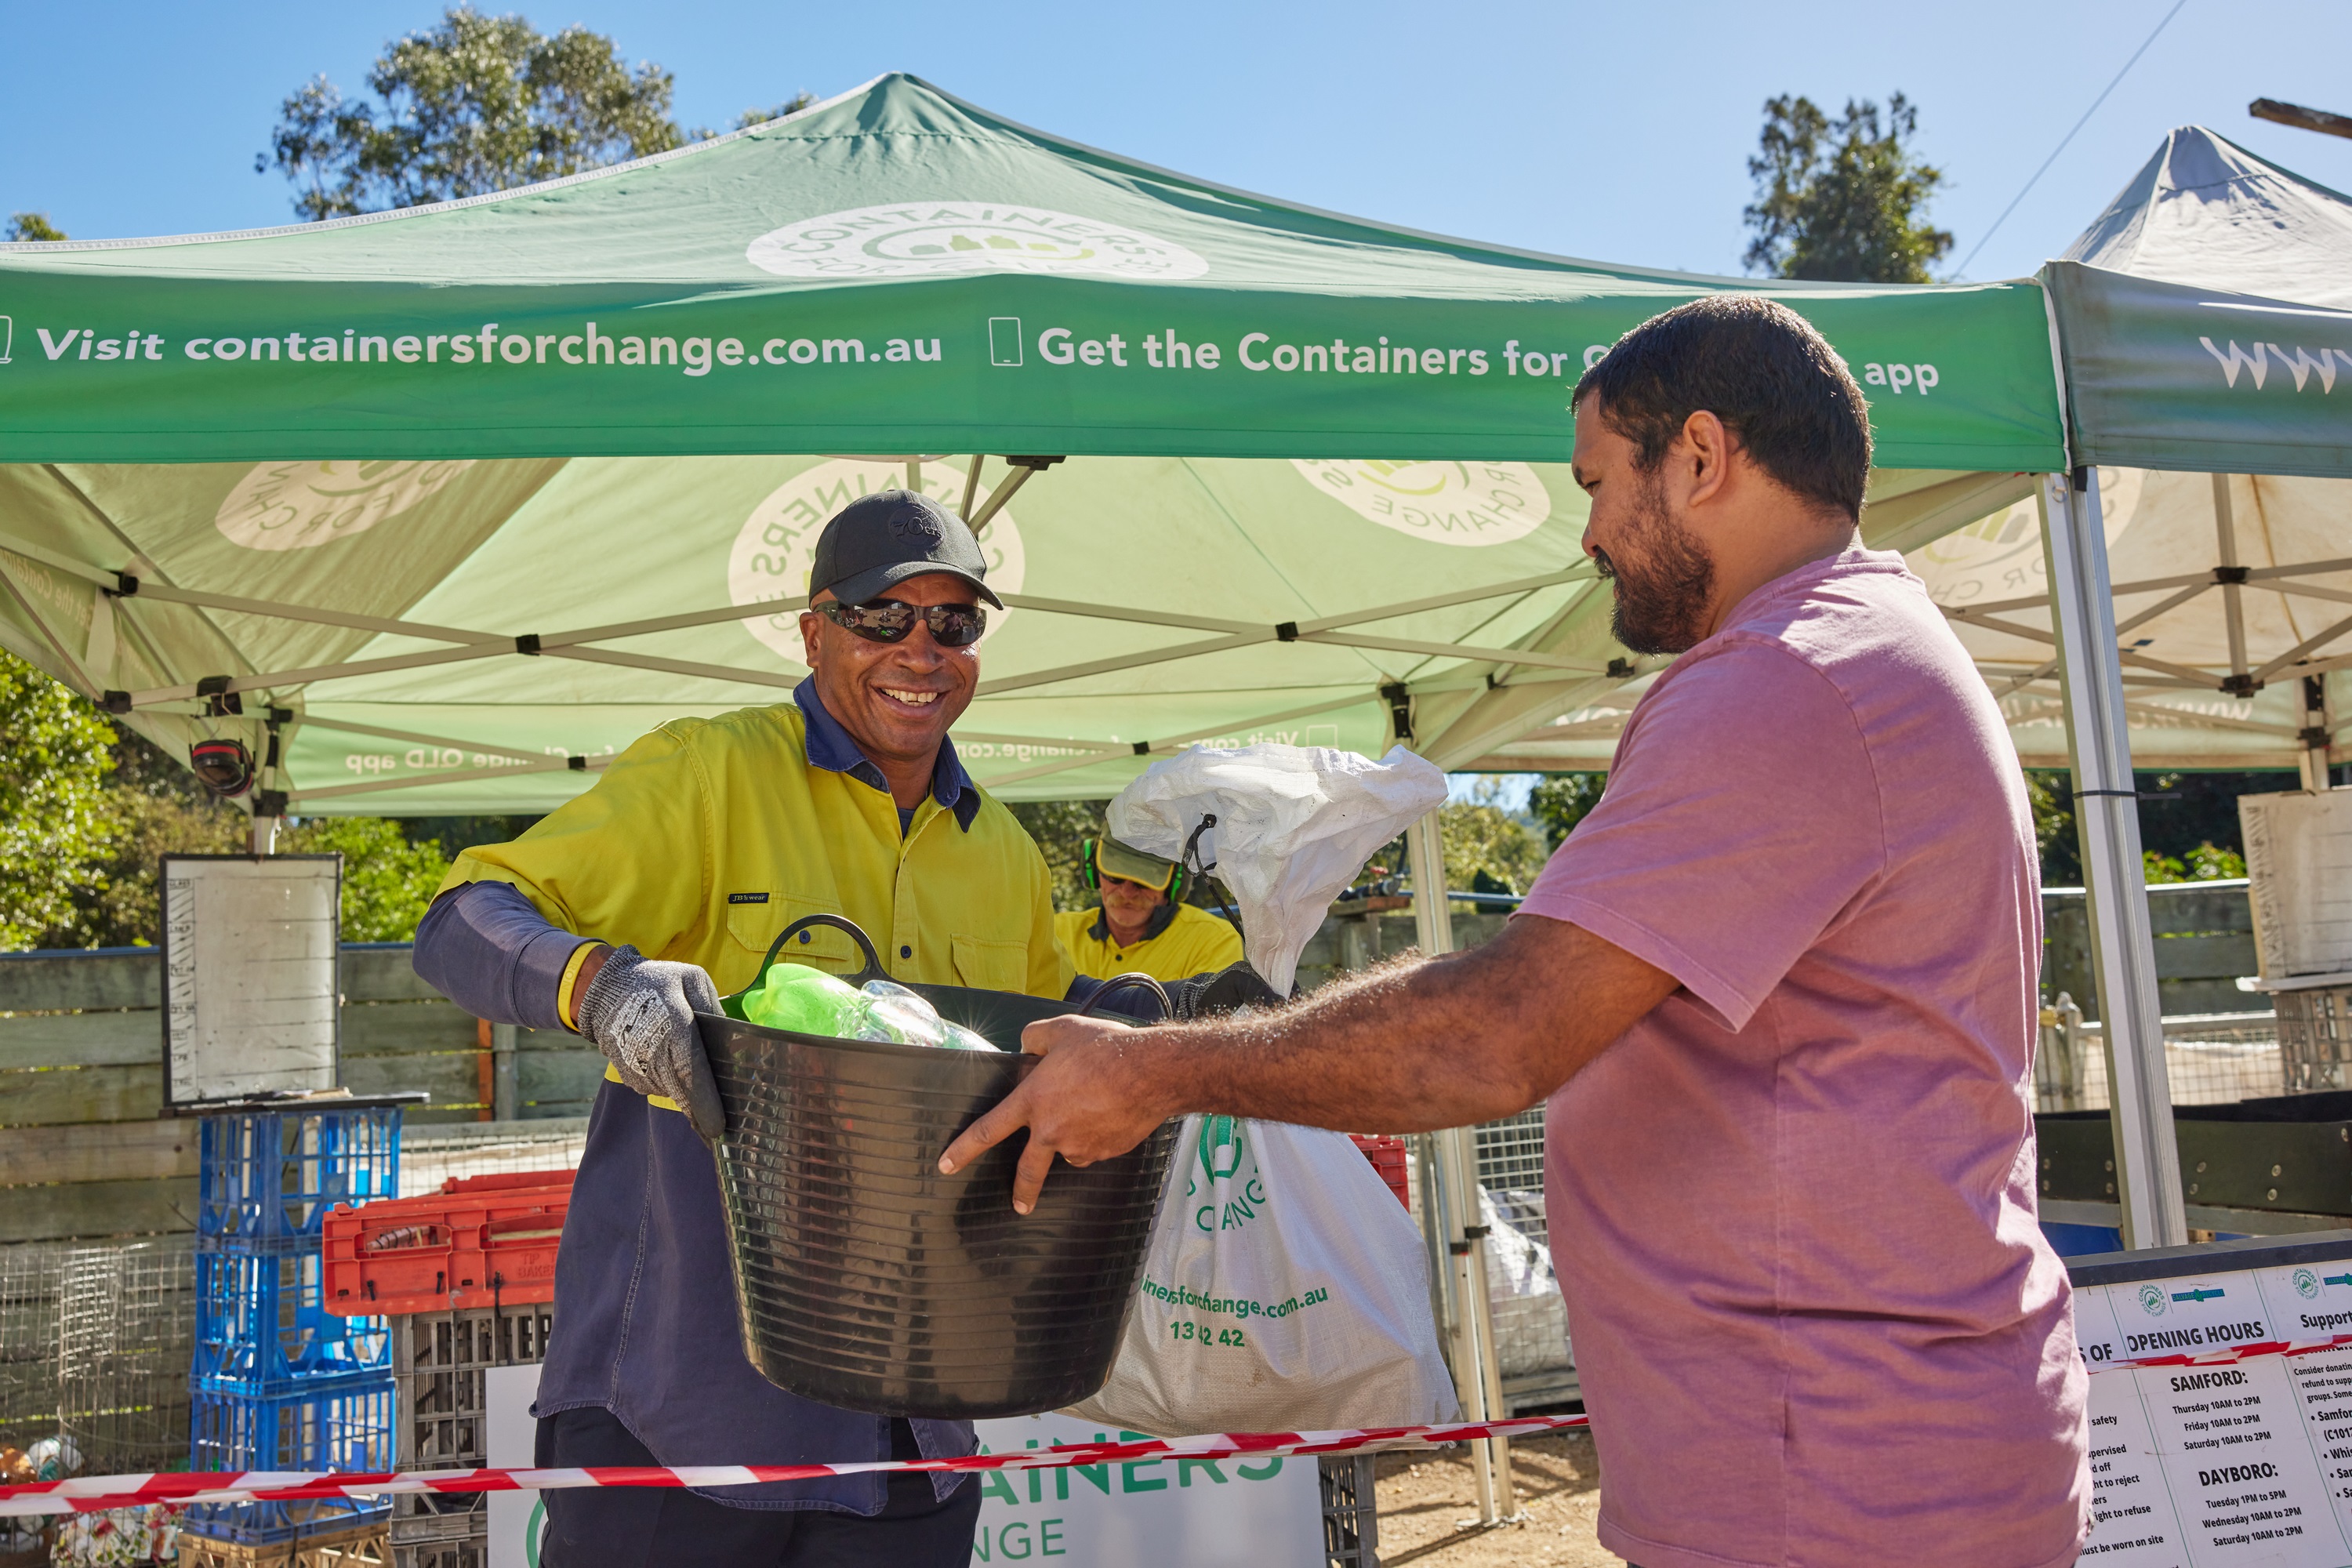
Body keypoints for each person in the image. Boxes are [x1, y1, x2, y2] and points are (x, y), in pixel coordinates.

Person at [943, 297, 2089, 1568]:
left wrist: (1159, 1072)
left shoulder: (1786, 679)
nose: (1590, 534)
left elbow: (1498, 1037)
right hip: (1856, 1455)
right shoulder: (1862, 651)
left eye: (1598, 483)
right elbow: (1543, 979)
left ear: (1701, 458)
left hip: (1833, 1479)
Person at [411, 490, 1076, 1567]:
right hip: (678, 1413)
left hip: (914, 1434)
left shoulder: (1002, 850)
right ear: (815, 631)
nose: (922, 648)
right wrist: (601, 988)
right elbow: (462, 917)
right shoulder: (708, 772)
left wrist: (1142, 1016)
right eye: (881, 618)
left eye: (954, 622)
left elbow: (1044, 1049)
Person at [1054, 835, 1242, 984]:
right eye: (1115, 878)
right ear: (1094, 872)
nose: (1127, 893)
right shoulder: (1056, 932)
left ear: (1175, 882)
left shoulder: (1212, 940)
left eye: (1141, 883)